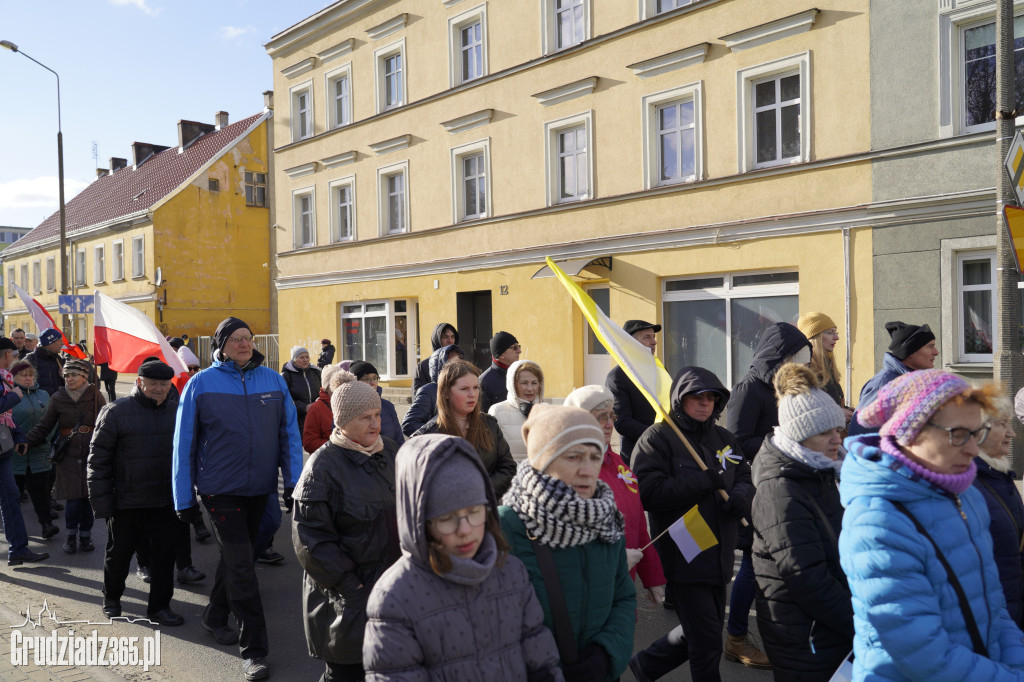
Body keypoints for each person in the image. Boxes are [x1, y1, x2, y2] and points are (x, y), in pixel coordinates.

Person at [841, 370, 1024, 680]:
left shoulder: (966, 495)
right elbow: (924, 654)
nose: (971, 449)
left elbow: (995, 607)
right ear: (911, 432)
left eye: (977, 433)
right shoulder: (877, 521)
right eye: (959, 433)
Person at [362, 434, 563, 680]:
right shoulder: (395, 598)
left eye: (474, 511)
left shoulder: (510, 571)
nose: (465, 530)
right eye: (446, 518)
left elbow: (541, 657)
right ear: (420, 523)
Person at [172, 316, 303, 682]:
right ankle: (255, 651)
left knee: (238, 558)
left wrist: (293, 482)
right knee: (243, 566)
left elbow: (289, 435)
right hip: (219, 491)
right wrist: (183, 498)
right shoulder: (201, 383)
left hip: (261, 490)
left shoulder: (273, 381)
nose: (245, 344)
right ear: (221, 344)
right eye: (236, 339)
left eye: (248, 338)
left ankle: (215, 615)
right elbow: (183, 446)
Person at [632, 366, 755, 682]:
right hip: (684, 550)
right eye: (696, 397)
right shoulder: (658, 438)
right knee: (707, 641)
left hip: (721, 550)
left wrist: (741, 496)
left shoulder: (724, 438)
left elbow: (743, 476)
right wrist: (702, 481)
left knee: (702, 628)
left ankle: (647, 666)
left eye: (711, 398)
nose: (705, 404)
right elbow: (648, 492)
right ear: (679, 399)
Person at [500, 404, 636, 682]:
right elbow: (485, 617)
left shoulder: (606, 518)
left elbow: (623, 598)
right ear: (543, 461)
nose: (588, 470)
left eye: (595, 457)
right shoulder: (506, 526)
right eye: (574, 457)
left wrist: (606, 653)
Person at [293, 370, 401, 682]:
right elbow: (311, 542)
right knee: (348, 674)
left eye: (378, 414)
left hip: (392, 593)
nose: (375, 424)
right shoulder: (322, 468)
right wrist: (353, 590)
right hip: (347, 603)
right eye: (365, 417)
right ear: (342, 421)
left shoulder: (391, 452)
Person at [750, 364, 852, 681]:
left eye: (838, 430)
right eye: (826, 433)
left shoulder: (822, 471)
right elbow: (808, 579)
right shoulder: (779, 490)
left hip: (828, 629)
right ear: (800, 435)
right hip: (806, 637)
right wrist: (862, 621)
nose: (837, 440)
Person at [722, 321, 809, 670]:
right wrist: (783, 438)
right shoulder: (749, 388)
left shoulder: (784, 388)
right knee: (753, 567)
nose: (801, 364)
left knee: (774, 567)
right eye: (795, 357)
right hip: (756, 487)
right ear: (778, 355)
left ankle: (771, 633)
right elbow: (735, 442)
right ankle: (736, 638)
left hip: (782, 485)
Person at [87, 358, 185, 625]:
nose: (158, 388)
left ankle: (160, 607)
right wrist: (102, 503)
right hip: (126, 501)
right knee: (119, 554)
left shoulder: (178, 412)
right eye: (152, 383)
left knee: (164, 556)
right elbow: (98, 461)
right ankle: (112, 598)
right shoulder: (116, 412)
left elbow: (187, 456)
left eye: (164, 384)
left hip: (165, 500)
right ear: (139, 382)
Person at [564, 385, 666, 602]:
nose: (610, 424)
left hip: (623, 585)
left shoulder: (620, 465)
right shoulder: (568, 470)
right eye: (601, 417)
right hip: (586, 590)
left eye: (612, 416)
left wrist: (652, 576)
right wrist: (615, 559)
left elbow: (638, 525)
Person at [25, 358, 104, 554]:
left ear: (85, 376)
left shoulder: (95, 396)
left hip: (91, 452)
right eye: (67, 375)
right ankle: (70, 536)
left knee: (87, 497)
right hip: (66, 453)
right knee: (73, 498)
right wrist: (26, 440)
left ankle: (86, 536)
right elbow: (45, 424)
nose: (69, 378)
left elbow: (106, 423)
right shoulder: (58, 397)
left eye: (74, 375)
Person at [413, 360, 517, 499]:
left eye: (475, 387)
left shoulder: (489, 425)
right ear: (446, 393)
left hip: (488, 511)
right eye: (464, 389)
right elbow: (420, 485)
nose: (472, 394)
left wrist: (481, 490)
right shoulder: (428, 436)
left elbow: (508, 467)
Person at [973, 396, 1024, 628]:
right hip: (995, 620)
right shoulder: (968, 485)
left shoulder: (999, 473)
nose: (1012, 434)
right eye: (1002, 424)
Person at [0, 340, 49, 566]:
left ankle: (18, 549)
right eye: (13, 354)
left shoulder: (4, 377)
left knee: (10, 499)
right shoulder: (7, 382)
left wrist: (18, 437)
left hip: (4, 447)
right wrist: (14, 396)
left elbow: (6, 416)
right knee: (9, 498)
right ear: (8, 354)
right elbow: (6, 405)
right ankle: (18, 548)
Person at [848, 321, 938, 435]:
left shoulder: (914, 382)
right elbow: (861, 436)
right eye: (930, 347)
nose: (936, 352)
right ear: (910, 351)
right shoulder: (883, 386)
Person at [10, 360, 56, 540]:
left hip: (39, 449)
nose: (29, 379)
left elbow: (52, 420)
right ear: (14, 377)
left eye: (31, 375)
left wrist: (41, 438)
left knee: (41, 492)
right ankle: (14, 531)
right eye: (24, 375)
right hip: (15, 454)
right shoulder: (8, 395)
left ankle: (47, 524)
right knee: (13, 494)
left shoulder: (43, 395)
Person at [606, 319, 660, 463]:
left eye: (653, 336)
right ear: (631, 343)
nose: (654, 342)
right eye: (647, 337)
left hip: (665, 452)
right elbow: (622, 422)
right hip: (637, 455)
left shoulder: (660, 371)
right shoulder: (618, 377)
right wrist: (657, 436)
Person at [797, 312, 853, 421]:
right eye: (830, 332)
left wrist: (846, 410)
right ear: (814, 337)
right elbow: (803, 415)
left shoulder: (827, 366)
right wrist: (837, 413)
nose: (837, 337)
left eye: (835, 332)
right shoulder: (804, 373)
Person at [401, 344, 463, 436]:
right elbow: (409, 424)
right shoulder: (429, 391)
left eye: (459, 363)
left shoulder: (462, 388)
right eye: (451, 364)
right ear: (441, 366)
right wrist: (440, 435)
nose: (457, 368)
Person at [488, 359, 544, 461]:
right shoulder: (497, 411)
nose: (530, 388)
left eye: (534, 383)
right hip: (511, 475)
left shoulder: (548, 410)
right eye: (524, 383)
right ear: (513, 384)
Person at [350, 360, 403, 445]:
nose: (372, 383)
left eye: (375, 378)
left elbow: (399, 439)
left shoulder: (388, 406)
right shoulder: (348, 408)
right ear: (355, 382)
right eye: (366, 378)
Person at [303, 363, 343, 454]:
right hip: (327, 463)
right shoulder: (316, 409)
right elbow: (309, 443)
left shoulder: (350, 403)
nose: (342, 387)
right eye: (338, 383)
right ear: (327, 386)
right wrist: (337, 445)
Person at [281, 345, 322, 434]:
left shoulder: (315, 372)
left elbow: (322, 391)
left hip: (315, 417)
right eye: (301, 357)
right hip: (297, 420)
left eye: (307, 357)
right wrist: (304, 407)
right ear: (294, 359)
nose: (305, 360)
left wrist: (320, 401)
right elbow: (284, 399)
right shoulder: (286, 375)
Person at [478, 331, 521, 413]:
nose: (519, 351)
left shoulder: (521, 375)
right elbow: (482, 418)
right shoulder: (484, 382)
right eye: (514, 347)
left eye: (518, 346)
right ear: (501, 355)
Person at [413, 323, 458, 394]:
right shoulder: (423, 366)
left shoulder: (461, 363)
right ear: (437, 340)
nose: (450, 341)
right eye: (445, 337)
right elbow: (418, 398)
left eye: (452, 337)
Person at [26, 329, 65, 396]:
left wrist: (65, 376)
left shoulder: (58, 359)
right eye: (60, 341)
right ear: (50, 343)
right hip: (40, 404)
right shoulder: (31, 360)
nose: (62, 343)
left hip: (58, 402)